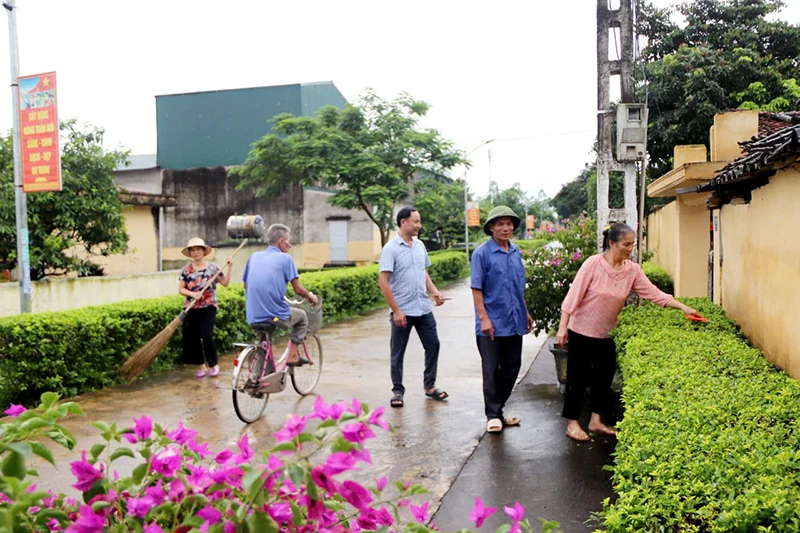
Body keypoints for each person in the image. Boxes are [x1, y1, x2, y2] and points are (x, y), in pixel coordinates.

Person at [556, 222, 700, 442]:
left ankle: (596, 421)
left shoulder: (632, 270)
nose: (630, 248)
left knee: (603, 380)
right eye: (626, 244)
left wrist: (682, 307)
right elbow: (573, 296)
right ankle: (572, 424)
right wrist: (562, 327)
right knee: (577, 379)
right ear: (612, 243)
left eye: (632, 244)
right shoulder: (593, 264)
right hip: (581, 331)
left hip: (608, 334)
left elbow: (653, 293)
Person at [471, 205, 534, 433]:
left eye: (509, 224)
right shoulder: (482, 254)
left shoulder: (515, 252)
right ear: (491, 227)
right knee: (491, 369)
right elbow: (476, 289)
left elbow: (518, 288)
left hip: (514, 321)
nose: (505, 228)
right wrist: (484, 319)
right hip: (491, 324)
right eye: (500, 224)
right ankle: (493, 415)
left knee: (512, 367)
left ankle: (499, 409)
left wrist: (525, 312)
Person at [379, 207, 447, 408]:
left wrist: (434, 291)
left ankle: (430, 386)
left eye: (419, 221)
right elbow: (384, 282)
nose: (419, 225)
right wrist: (397, 310)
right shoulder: (390, 249)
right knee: (398, 353)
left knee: (433, 345)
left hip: (423, 308)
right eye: (415, 221)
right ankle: (397, 391)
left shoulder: (419, 245)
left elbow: (422, 271)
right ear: (403, 222)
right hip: (403, 311)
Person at [243, 224, 318, 366]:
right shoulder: (285, 259)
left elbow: (246, 285)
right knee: (301, 317)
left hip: (253, 314)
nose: (290, 245)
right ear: (281, 242)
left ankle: (256, 380)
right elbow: (298, 289)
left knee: (263, 347)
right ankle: (293, 356)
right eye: (289, 242)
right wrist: (311, 297)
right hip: (273, 314)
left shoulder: (253, 257)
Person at [178, 237, 233, 378]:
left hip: (208, 307)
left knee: (206, 335)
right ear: (190, 253)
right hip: (191, 308)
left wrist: (230, 266)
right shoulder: (186, 270)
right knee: (193, 337)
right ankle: (201, 366)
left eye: (198, 249)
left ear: (203, 251)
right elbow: (181, 289)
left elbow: (225, 283)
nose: (196, 252)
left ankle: (213, 365)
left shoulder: (213, 268)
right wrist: (192, 294)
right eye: (193, 250)